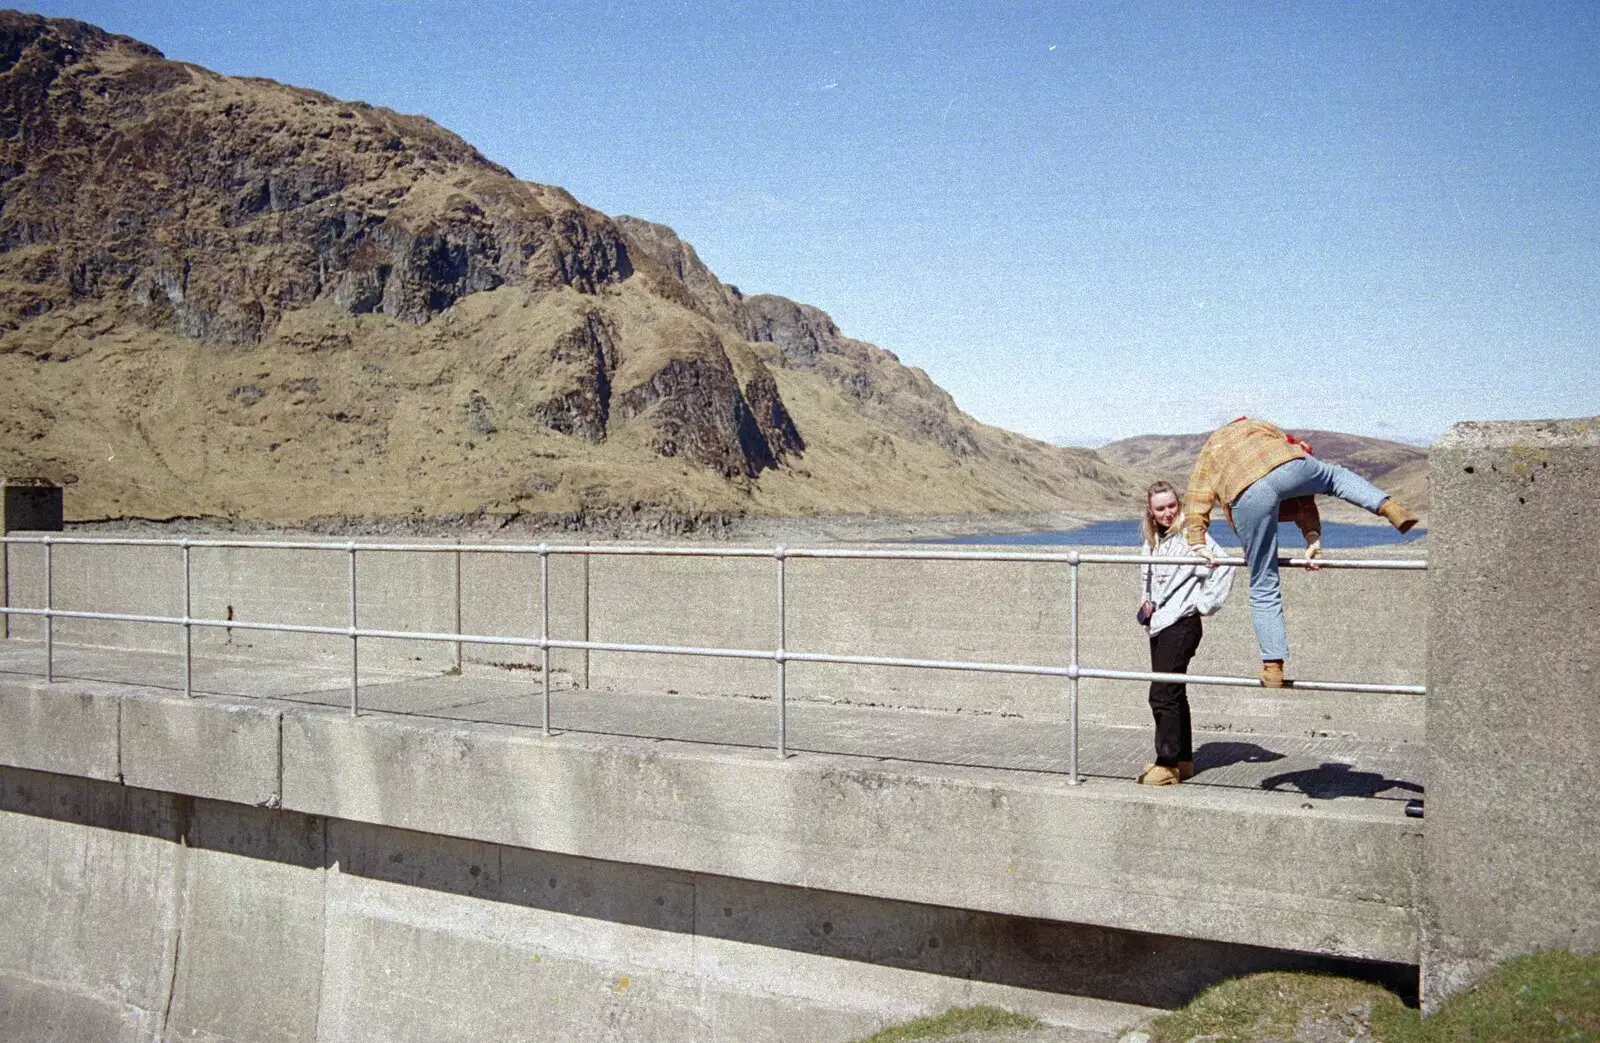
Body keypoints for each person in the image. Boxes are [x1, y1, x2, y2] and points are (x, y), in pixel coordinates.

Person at [1183, 417, 1417, 688]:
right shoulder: (1260, 426)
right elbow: (1300, 483)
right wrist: (1312, 536)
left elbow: (1197, 496)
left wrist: (1197, 539)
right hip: (1288, 467)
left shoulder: (1211, 448)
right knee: (1335, 477)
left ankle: (1273, 666)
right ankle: (1388, 506)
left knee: (1263, 582)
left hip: (1246, 493)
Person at [1135, 480, 1234, 787]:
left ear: (1179, 505)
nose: (1167, 513)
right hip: (1160, 623)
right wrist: (1145, 600)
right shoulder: (1153, 540)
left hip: (1182, 623)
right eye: (1160, 508)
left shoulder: (1193, 537)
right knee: (1175, 692)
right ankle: (1183, 760)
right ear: (1151, 512)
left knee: (1162, 694)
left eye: (1172, 506)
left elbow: (1225, 565)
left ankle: (1166, 764)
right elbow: (1148, 577)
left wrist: (1203, 604)